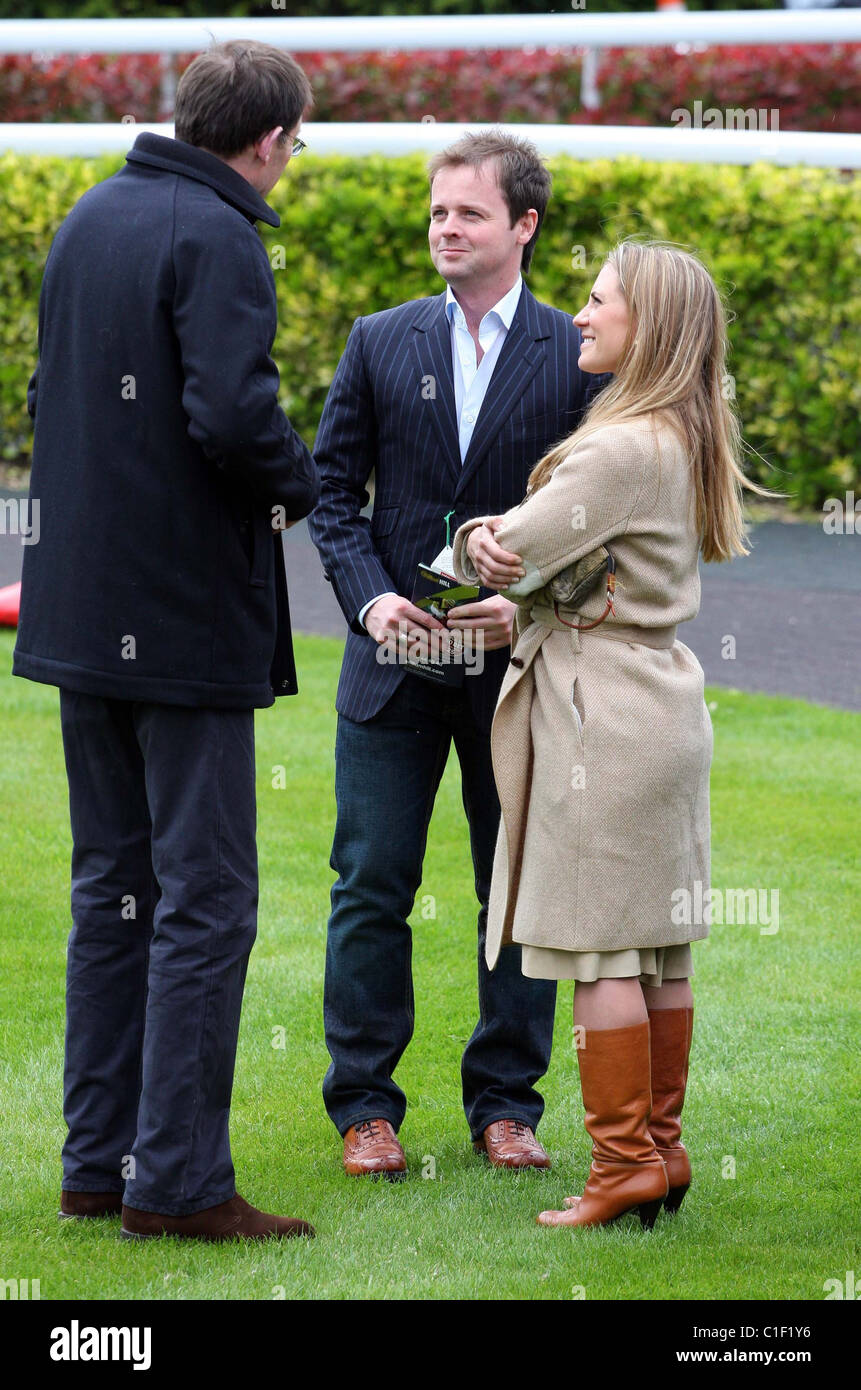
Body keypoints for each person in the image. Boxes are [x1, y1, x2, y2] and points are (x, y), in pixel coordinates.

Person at [13, 41, 320, 1241]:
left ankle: (98, 1168)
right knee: (205, 900)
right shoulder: (222, 232)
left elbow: (51, 401)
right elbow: (235, 416)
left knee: (114, 893)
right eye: (298, 140)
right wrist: (306, 487)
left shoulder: (90, 214)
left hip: (82, 613)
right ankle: (179, 1184)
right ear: (270, 137)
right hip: (183, 620)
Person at [454, 239, 769, 1228]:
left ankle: (620, 1166)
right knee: (659, 951)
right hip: (662, 703)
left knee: (598, 954)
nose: (580, 315)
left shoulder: (619, 444)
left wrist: (467, 541)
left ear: (651, 324)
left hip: (602, 717)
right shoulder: (690, 428)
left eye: (598, 301)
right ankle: (661, 1156)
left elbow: (507, 552)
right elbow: (594, 568)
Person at [309, 131, 603, 1177]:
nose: (446, 228)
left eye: (469, 214)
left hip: (517, 676)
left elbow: (599, 531)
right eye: (438, 212)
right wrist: (372, 599)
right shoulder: (379, 340)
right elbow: (330, 495)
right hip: (391, 669)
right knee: (371, 883)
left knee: (514, 889)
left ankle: (506, 1106)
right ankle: (364, 1109)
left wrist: (525, 611)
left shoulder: (576, 355)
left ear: (523, 226)